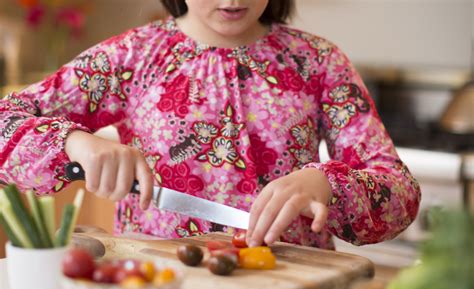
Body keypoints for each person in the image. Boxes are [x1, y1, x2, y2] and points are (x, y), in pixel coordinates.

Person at [0, 0, 421, 249]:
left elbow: (399, 191)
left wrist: (327, 184)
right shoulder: (132, 56)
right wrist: (75, 143)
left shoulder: (317, 61)